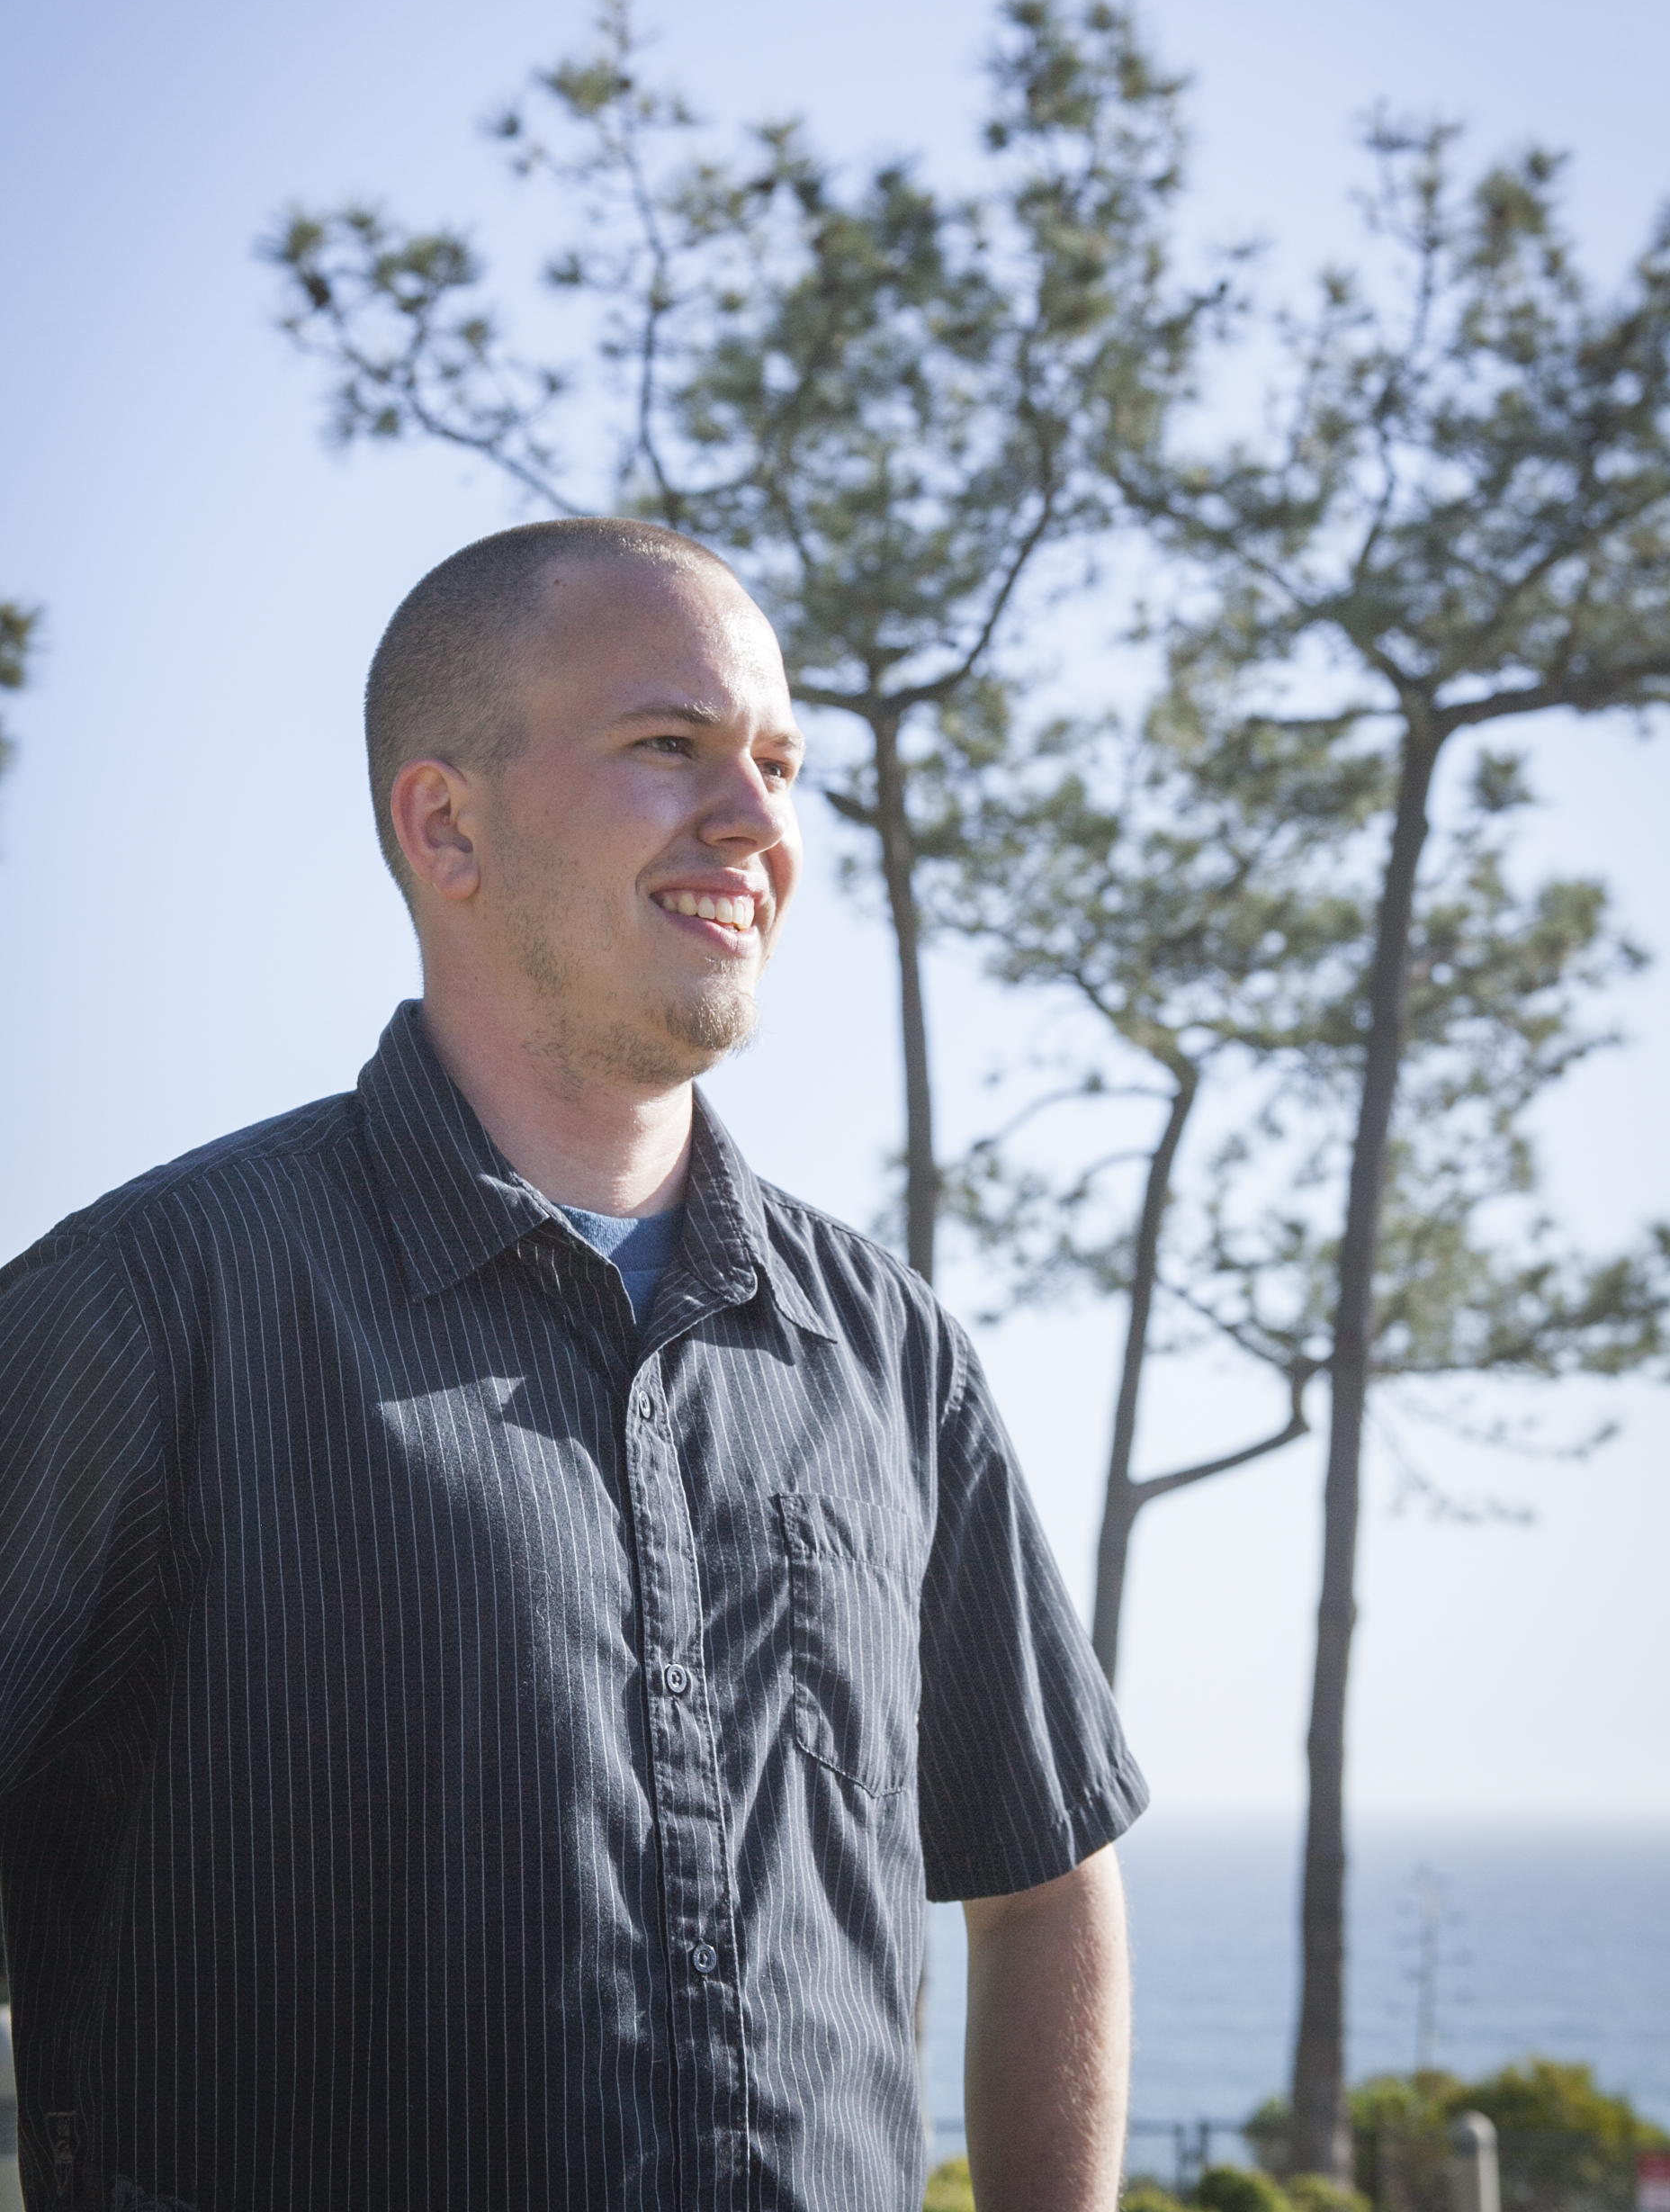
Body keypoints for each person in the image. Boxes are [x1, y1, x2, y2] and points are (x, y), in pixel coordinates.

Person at [0, 519, 1147, 2212]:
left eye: (778, 763)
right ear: (445, 824)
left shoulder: (890, 1355)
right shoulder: (149, 1308)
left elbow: (1046, 1884)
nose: (757, 821)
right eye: (670, 745)